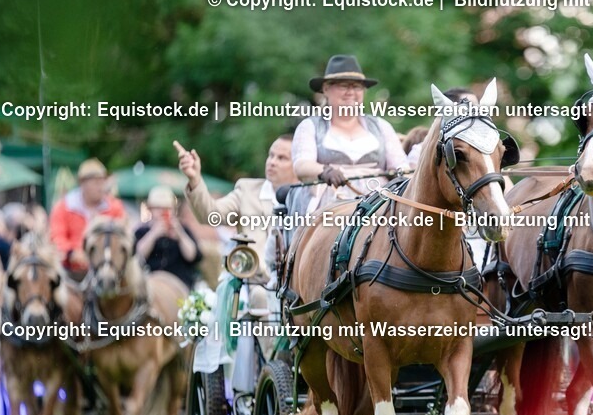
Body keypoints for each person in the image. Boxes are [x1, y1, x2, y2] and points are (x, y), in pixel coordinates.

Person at [291, 54, 408, 213]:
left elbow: (401, 166)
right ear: (326, 89)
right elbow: (302, 165)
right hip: (329, 203)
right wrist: (325, 171)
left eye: (357, 86)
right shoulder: (310, 126)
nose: (351, 92)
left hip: (378, 203)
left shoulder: (381, 126)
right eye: (344, 86)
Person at [174, 134, 296, 275]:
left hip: (296, 286)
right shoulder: (246, 191)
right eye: (271, 155)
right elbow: (210, 215)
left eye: (282, 158)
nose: (272, 162)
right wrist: (195, 179)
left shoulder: (311, 198)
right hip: (255, 284)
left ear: (297, 163)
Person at [49, 158, 126, 278]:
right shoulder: (63, 207)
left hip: (108, 269)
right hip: (72, 271)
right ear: (82, 184)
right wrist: (72, 254)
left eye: (103, 182)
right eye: (96, 182)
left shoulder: (115, 207)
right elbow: (57, 238)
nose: (101, 187)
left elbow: (123, 236)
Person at [134, 186, 202, 289]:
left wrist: (180, 235)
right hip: (150, 283)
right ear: (150, 209)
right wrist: (153, 234)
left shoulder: (183, 229)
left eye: (167, 208)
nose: (163, 212)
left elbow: (192, 256)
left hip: (180, 283)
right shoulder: (141, 231)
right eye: (158, 208)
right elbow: (138, 256)